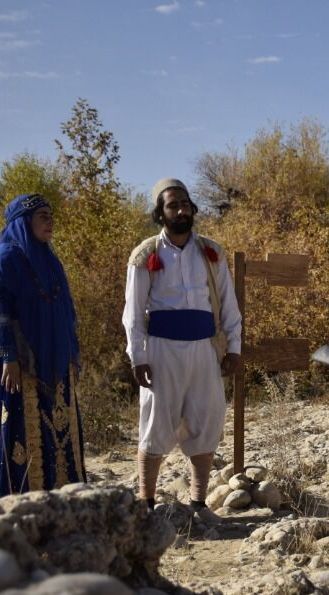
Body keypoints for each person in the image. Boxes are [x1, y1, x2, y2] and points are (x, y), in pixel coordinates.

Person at [122, 178, 242, 521]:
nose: (181, 210)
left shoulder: (211, 252)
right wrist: (139, 356)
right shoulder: (145, 255)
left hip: (204, 349)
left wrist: (233, 348)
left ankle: (198, 505)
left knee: (207, 420)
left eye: (185, 204)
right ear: (160, 213)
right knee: (156, 423)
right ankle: (146, 504)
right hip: (162, 351)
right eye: (173, 206)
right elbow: (133, 312)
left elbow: (229, 305)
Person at [0, 194, 86, 499]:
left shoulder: (49, 260)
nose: (50, 221)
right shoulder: (5, 259)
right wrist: (8, 357)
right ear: (23, 221)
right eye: (43, 215)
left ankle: (61, 501)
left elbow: (66, 314)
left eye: (51, 215)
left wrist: (71, 356)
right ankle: (18, 502)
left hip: (53, 364)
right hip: (15, 368)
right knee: (20, 435)